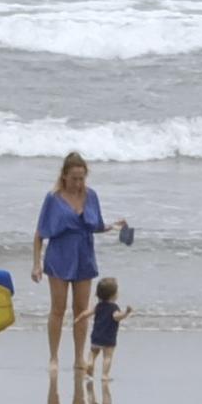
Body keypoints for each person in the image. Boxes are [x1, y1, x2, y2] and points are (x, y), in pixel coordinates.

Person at [32, 153, 128, 376]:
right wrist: (36, 264)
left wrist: (113, 226)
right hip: (59, 254)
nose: (78, 183)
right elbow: (39, 234)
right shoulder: (53, 198)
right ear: (64, 176)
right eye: (74, 178)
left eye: (82, 178)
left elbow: (95, 225)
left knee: (81, 309)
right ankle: (54, 357)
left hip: (84, 254)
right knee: (58, 309)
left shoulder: (91, 196)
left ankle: (78, 358)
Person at [76, 277, 133, 382]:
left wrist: (79, 318)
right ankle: (105, 375)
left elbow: (87, 313)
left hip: (96, 336)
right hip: (108, 338)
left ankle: (89, 370)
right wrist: (126, 313)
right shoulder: (114, 307)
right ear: (114, 295)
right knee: (107, 357)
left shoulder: (98, 306)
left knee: (92, 353)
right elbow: (117, 317)